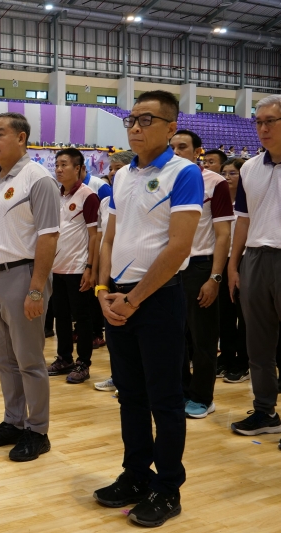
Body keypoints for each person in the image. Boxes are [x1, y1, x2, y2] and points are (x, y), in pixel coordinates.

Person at [94, 91, 203, 527]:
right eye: (131, 120)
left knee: (165, 399)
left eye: (146, 120)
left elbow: (178, 247)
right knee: (130, 396)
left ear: (171, 127)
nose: (135, 128)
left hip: (156, 300)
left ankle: (168, 487)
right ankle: (136, 474)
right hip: (118, 296)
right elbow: (109, 239)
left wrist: (133, 299)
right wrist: (104, 290)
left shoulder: (185, 172)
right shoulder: (121, 177)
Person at [0, 112, 60, 463]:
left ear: (21, 138)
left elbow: (48, 236)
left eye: (0, 134)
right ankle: (13, 421)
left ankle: (37, 431)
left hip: (23, 275)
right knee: (4, 360)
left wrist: (37, 288)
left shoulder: (37, 179)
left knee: (29, 361)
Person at [169, 129, 234, 419]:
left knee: (202, 337)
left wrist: (215, 277)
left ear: (198, 152)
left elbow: (222, 235)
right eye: (172, 147)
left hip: (200, 266)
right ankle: (181, 391)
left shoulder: (215, 183)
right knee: (175, 336)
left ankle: (203, 397)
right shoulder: (163, 182)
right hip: (170, 266)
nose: (176, 152)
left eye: (183, 147)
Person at [228, 94, 281, 439]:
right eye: (257, 122)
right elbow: (242, 221)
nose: (262, 128)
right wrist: (234, 265)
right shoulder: (248, 168)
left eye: (269, 122)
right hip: (255, 259)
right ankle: (265, 411)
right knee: (257, 343)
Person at [46, 148, 100, 385]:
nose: (59, 169)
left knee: (82, 318)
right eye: (57, 164)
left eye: (64, 164)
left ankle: (83, 363)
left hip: (78, 268)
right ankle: (64, 358)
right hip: (56, 268)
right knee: (60, 316)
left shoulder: (88, 196)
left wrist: (90, 267)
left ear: (78, 169)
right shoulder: (56, 195)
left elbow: (95, 236)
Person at [92, 150, 136, 393]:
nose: (111, 173)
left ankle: (131, 379)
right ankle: (117, 375)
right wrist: (99, 275)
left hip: (132, 273)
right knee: (114, 329)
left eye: (117, 168)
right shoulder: (106, 202)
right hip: (110, 269)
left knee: (132, 329)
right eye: (110, 169)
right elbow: (102, 240)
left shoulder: (139, 198)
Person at [216, 158, 250, 383]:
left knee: (244, 316)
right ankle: (226, 356)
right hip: (220, 260)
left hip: (245, 260)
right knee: (224, 315)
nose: (227, 177)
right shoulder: (218, 202)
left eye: (233, 173)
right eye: (224, 172)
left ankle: (243, 360)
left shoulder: (248, 204)